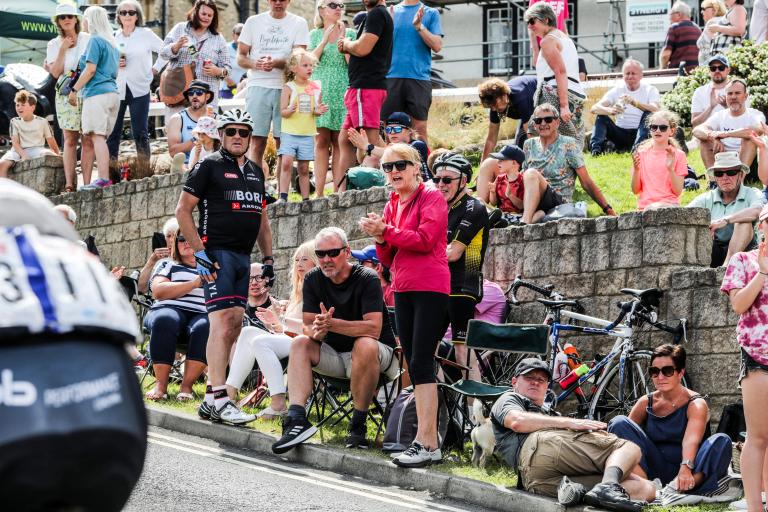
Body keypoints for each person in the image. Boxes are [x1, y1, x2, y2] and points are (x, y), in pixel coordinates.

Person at [176, 108, 274, 425]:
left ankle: (209, 398)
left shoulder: (257, 172)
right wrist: (200, 253)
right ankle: (221, 398)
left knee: (233, 324)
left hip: (244, 256)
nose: (236, 137)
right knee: (221, 324)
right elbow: (182, 211)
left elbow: (262, 220)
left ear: (250, 136)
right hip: (217, 253)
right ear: (220, 134)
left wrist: (269, 257)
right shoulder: (209, 166)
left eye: (243, 132)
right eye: (230, 131)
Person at [359, 143, 449, 467]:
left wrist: (387, 232)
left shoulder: (431, 196)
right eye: (388, 167)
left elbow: (426, 240)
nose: (394, 172)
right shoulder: (392, 203)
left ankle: (428, 442)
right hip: (403, 288)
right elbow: (386, 258)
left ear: (415, 167)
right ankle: (423, 441)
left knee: (423, 362)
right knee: (413, 363)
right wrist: (380, 239)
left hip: (430, 286)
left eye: (400, 165)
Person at [271, 228, 399, 453]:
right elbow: (308, 323)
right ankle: (296, 419)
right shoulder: (313, 278)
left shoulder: (367, 278)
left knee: (364, 344)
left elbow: (373, 329)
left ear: (347, 252)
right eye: (320, 254)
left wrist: (332, 324)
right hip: (335, 354)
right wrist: (316, 332)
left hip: (377, 359)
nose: (326, 259)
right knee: (300, 342)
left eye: (332, 253)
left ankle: (358, 426)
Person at [491, 358, 657, 510]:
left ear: (547, 386)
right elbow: (517, 421)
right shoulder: (509, 398)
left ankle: (581, 492)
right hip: (537, 448)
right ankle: (607, 486)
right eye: (529, 377)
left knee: (646, 488)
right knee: (629, 448)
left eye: (541, 380)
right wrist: (571, 423)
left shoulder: (551, 415)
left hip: (537, 482)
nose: (535, 382)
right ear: (514, 382)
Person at [607, 345, 733, 504]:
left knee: (721, 440)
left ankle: (683, 487)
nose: (660, 377)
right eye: (654, 371)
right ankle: (645, 485)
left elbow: (691, 440)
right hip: (653, 468)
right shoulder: (646, 402)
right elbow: (625, 441)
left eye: (667, 371)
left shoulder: (696, 404)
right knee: (618, 422)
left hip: (689, 469)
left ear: (680, 372)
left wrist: (685, 468)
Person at [226, 243, 318, 417]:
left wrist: (281, 319)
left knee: (261, 342)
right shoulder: (299, 290)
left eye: (305, 259)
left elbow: (311, 327)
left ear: (316, 262)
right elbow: (287, 327)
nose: (299, 264)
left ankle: (278, 404)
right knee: (247, 332)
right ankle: (229, 396)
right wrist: (277, 321)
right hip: (292, 338)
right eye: (296, 259)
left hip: (308, 344)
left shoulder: (318, 288)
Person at [721, 226, 768, 512]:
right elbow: (738, 304)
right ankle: (754, 507)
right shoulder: (743, 260)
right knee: (759, 435)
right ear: (762, 226)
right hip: (758, 356)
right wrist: (762, 273)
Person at [433, 152, 489, 382]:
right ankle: (441, 400)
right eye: (437, 179)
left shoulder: (474, 208)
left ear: (463, 181)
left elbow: (453, 253)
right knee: (426, 349)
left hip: (462, 286)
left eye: (447, 180)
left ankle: (474, 408)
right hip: (437, 285)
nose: (441, 185)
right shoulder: (439, 207)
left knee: (461, 350)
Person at [238, 0, 310, 167]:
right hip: (258, 85)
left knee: (283, 143)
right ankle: (256, 187)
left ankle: (281, 191)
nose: (278, 2)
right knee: (256, 141)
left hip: (286, 87)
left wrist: (275, 62)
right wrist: (255, 64)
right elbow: (241, 57)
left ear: (289, 1)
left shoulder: (298, 23)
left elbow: (300, 57)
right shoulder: (253, 22)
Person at [521, 103, 615, 224]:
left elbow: (586, 182)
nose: (543, 124)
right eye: (538, 120)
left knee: (531, 173)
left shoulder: (569, 144)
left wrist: (607, 209)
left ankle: (525, 223)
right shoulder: (529, 144)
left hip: (559, 200)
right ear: (534, 124)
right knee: (492, 163)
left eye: (548, 119)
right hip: (534, 198)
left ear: (557, 122)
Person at [143, 228, 209, 401]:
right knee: (166, 320)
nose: (186, 242)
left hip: (201, 313)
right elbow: (158, 290)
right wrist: (193, 284)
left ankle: (186, 387)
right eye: (181, 239)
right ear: (175, 244)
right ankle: (161, 386)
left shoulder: (211, 267)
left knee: (206, 326)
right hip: (166, 309)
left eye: (191, 239)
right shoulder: (168, 264)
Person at [336, 0, 394, 189]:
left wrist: (345, 43)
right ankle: (341, 192)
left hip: (366, 88)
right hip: (360, 88)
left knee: (368, 142)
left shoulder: (377, 13)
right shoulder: (374, 15)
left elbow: (362, 48)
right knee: (345, 140)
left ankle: (385, 185)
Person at [68, 6, 119, 190]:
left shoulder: (95, 41)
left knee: (97, 138)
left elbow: (90, 70)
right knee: (99, 137)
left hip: (96, 94)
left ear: (90, 20)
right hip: (112, 93)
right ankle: (95, 181)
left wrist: (74, 89)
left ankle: (103, 179)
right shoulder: (112, 44)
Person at [309, 0, 357, 197]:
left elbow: (352, 64)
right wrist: (324, 39)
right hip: (320, 91)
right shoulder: (314, 34)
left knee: (339, 141)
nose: (338, 8)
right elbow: (311, 62)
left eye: (340, 5)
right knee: (320, 142)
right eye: (333, 5)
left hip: (342, 91)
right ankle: (319, 192)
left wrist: (344, 39)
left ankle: (338, 190)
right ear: (321, 10)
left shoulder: (351, 33)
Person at [106, 0, 163, 162]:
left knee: (140, 133)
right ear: (118, 17)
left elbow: (165, 51)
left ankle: (144, 171)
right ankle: (111, 171)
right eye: (123, 13)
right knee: (113, 133)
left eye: (131, 12)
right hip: (117, 89)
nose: (127, 15)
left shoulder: (145, 34)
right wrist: (115, 64)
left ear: (137, 16)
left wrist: (155, 69)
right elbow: (106, 63)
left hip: (140, 89)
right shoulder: (113, 37)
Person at [45, 2, 92, 193]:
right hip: (65, 94)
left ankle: (88, 183)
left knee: (88, 138)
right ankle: (70, 183)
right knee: (69, 139)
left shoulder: (88, 39)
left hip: (88, 91)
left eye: (69, 16)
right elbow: (55, 73)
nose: (66, 20)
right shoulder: (53, 44)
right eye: (62, 17)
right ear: (57, 21)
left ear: (76, 19)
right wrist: (63, 49)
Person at [380, 0, 443, 145]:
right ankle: (389, 166)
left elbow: (437, 45)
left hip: (418, 78)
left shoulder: (431, 12)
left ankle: (422, 167)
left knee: (419, 131)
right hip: (390, 78)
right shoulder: (390, 12)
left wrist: (419, 26)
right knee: (389, 130)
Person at [525, 3, 586, 150]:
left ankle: (544, 170)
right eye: (528, 23)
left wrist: (564, 106)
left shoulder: (547, 41)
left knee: (543, 139)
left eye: (532, 21)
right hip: (574, 92)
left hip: (554, 93)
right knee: (571, 142)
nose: (530, 26)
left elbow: (560, 71)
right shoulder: (563, 37)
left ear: (546, 20)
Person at [688, 150, 764, 267]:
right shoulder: (707, 198)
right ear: (715, 178)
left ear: (741, 174)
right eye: (719, 174)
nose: (725, 177)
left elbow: (759, 210)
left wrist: (726, 220)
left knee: (743, 222)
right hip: (714, 249)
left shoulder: (752, 193)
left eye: (731, 172)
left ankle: (726, 268)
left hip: (746, 253)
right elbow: (684, 215)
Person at [475, 75, 537, 203]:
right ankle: (481, 205)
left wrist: (535, 165)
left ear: (504, 96)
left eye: (494, 105)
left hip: (538, 103)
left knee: (525, 145)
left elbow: (531, 135)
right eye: (490, 106)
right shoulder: (495, 105)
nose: (493, 109)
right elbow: (491, 139)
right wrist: (482, 169)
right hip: (523, 112)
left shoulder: (520, 97)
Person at [160, 0, 230, 110]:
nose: (206, 17)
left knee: (204, 126)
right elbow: (163, 54)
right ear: (196, 13)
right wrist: (176, 47)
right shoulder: (180, 29)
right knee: (177, 125)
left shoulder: (218, 39)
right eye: (203, 14)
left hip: (207, 98)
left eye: (210, 15)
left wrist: (219, 71)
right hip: (179, 94)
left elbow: (228, 69)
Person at [278, 48, 328, 201]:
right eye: (305, 65)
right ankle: (283, 197)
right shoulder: (289, 87)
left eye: (311, 65)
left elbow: (314, 110)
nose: (309, 68)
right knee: (286, 163)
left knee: (304, 168)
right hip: (289, 133)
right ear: (293, 68)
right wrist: (290, 110)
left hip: (307, 133)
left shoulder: (314, 87)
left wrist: (318, 111)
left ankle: (305, 199)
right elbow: (282, 112)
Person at [589, 59, 660, 156]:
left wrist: (634, 103)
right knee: (601, 117)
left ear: (641, 75)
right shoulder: (617, 89)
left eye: (633, 73)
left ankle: (637, 150)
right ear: (623, 76)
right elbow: (594, 108)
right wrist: (610, 110)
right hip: (620, 133)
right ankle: (596, 151)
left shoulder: (650, 89)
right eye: (627, 73)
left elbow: (655, 109)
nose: (630, 76)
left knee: (648, 114)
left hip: (641, 133)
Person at [693, 79, 765, 170]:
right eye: (730, 94)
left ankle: (739, 180)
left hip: (750, 162)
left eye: (737, 93)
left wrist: (725, 134)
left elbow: (755, 131)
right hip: (724, 158)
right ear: (726, 97)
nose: (733, 97)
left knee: (750, 139)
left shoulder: (755, 114)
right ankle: (713, 181)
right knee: (704, 141)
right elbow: (697, 130)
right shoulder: (720, 115)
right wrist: (712, 137)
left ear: (745, 96)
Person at [631, 110, 688, 211]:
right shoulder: (641, 154)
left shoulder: (679, 155)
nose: (657, 130)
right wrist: (636, 170)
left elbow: (677, 191)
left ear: (672, 131)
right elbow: (635, 190)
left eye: (663, 128)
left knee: (654, 208)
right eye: (654, 127)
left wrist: (670, 170)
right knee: (650, 209)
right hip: (644, 208)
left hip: (669, 206)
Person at [347, 111, 429, 180]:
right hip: (401, 184)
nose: (392, 132)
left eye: (397, 129)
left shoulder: (418, 145)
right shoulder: (390, 147)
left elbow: (396, 154)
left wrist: (367, 146)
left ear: (409, 131)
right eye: (389, 129)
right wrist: (360, 146)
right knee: (372, 158)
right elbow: (362, 160)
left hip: (422, 188)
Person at [0, 91, 60, 178]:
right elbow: (15, 143)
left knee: (48, 153)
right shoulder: (14, 121)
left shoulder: (42, 122)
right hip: (18, 150)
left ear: (32, 107)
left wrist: (57, 154)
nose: (19, 108)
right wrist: (24, 155)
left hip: (36, 149)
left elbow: (51, 140)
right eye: (17, 105)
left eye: (23, 105)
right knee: (2, 164)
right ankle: (4, 189)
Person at [166, 80, 215, 166]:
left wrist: (211, 125)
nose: (194, 96)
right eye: (191, 93)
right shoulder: (177, 118)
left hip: (213, 164)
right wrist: (198, 138)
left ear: (207, 96)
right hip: (186, 166)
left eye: (199, 93)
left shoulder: (215, 118)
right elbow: (173, 152)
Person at [137, 217, 178, 294]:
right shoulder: (161, 262)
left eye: (175, 235)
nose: (171, 240)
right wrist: (151, 261)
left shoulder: (194, 259)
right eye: (168, 236)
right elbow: (140, 289)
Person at [691, 54, 731, 133]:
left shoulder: (737, 89)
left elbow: (744, 121)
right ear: (709, 71)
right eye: (713, 68)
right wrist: (711, 107)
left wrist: (728, 108)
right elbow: (695, 124)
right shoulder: (700, 92)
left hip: (730, 134)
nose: (717, 71)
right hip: (707, 136)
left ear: (728, 70)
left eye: (721, 68)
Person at [659, 2, 702, 71]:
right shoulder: (698, 29)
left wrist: (662, 68)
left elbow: (665, 55)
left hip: (678, 72)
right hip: (696, 73)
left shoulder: (674, 27)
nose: (669, 18)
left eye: (671, 14)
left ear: (678, 14)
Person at [698, 0, 728, 65]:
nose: (701, 12)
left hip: (710, 66)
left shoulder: (712, 22)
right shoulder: (723, 20)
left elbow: (712, 47)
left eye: (703, 9)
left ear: (714, 9)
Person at [220, 23, 246, 99]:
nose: (241, 36)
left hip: (244, 90)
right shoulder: (225, 48)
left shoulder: (250, 50)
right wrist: (227, 80)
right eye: (238, 33)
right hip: (227, 89)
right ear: (233, 35)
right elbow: (217, 67)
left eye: (244, 34)